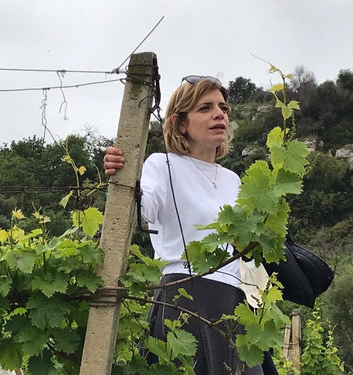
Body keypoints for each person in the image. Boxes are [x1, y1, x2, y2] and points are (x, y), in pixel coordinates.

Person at [104, 76, 276, 375]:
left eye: (223, 107)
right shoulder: (163, 164)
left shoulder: (233, 180)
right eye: (205, 108)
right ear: (180, 122)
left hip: (235, 297)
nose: (219, 114)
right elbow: (145, 207)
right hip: (186, 294)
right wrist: (120, 176)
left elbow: (245, 246)